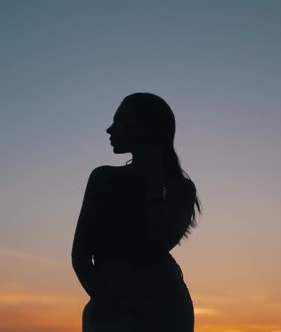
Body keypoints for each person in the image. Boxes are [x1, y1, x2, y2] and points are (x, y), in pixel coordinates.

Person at [71, 92, 202, 332]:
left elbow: (158, 243)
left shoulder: (181, 189)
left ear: (144, 127)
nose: (109, 130)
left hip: (166, 308)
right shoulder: (103, 178)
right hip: (111, 311)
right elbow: (79, 255)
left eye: (119, 121)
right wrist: (104, 300)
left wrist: (153, 184)